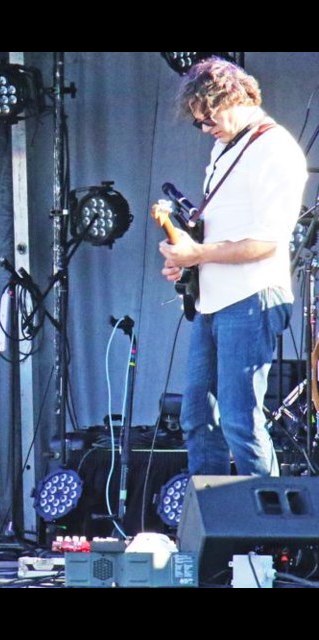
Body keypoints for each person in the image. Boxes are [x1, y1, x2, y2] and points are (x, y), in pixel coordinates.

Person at [159, 59, 307, 476]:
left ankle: (270, 536)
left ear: (233, 98)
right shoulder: (226, 148)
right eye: (198, 123)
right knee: (197, 418)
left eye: (209, 118)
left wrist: (197, 256)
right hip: (213, 300)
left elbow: (266, 241)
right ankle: (211, 531)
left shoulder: (274, 148)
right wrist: (185, 264)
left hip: (253, 296)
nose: (206, 128)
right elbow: (222, 229)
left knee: (241, 422)